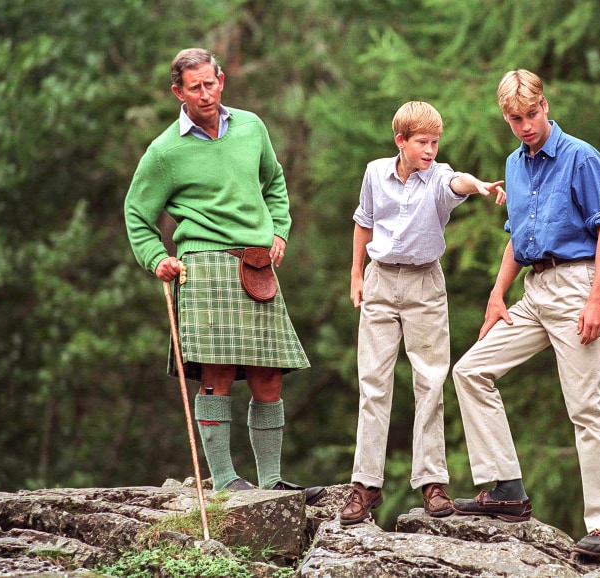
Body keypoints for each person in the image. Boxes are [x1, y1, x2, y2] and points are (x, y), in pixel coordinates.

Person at [124, 48, 325, 505]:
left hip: (256, 262)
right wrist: (157, 257)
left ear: (222, 80)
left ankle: (271, 482)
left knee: (268, 376)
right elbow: (137, 212)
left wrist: (279, 231)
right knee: (216, 375)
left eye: (210, 83)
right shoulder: (165, 151)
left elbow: (274, 183)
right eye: (194, 87)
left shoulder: (252, 127)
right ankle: (224, 481)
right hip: (205, 264)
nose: (205, 93)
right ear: (178, 92)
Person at [451, 69, 600, 558]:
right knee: (470, 370)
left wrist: (596, 298)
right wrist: (495, 295)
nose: (525, 125)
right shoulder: (514, 162)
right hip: (535, 289)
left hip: (578, 286)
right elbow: (517, 236)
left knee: (587, 406)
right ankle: (505, 490)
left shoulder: (581, 157)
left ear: (545, 105)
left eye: (531, 114)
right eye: (515, 118)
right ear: (505, 118)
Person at [340, 101, 506, 526]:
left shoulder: (439, 177)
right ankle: (365, 484)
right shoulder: (376, 172)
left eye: (435, 142)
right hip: (380, 280)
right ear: (401, 141)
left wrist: (482, 186)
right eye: (422, 143)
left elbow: (459, 182)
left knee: (430, 382)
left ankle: (432, 482)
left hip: (424, 284)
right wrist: (357, 274)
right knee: (373, 382)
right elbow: (364, 222)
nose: (430, 150)